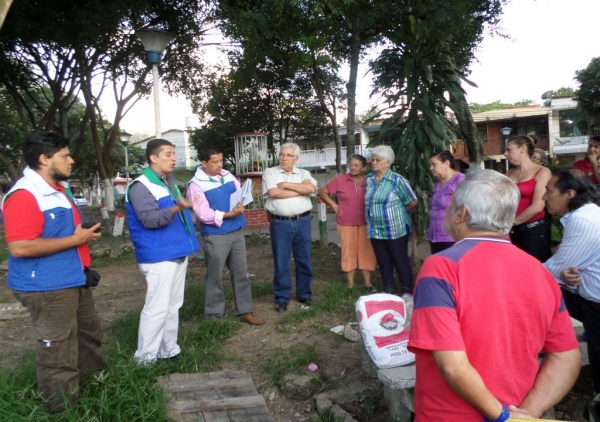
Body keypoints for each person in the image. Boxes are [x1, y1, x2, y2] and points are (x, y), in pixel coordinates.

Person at [408, 169, 581, 422]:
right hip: (520, 410)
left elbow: (453, 367)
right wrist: (527, 413)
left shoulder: (441, 267)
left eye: (451, 204)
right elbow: (567, 354)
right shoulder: (539, 270)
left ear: (462, 214)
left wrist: (501, 416)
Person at [2, 131, 106, 413]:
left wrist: (81, 237)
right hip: (47, 287)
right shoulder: (25, 194)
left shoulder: (58, 190)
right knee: (59, 351)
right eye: (65, 156)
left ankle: (97, 395)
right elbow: (20, 247)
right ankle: (63, 412)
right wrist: (76, 240)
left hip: (73, 278)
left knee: (88, 338)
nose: (71, 160)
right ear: (44, 159)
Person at [126, 139, 200, 363]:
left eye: (173, 153)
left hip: (176, 252)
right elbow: (149, 220)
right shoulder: (141, 186)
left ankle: (168, 350)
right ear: (153, 158)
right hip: (159, 256)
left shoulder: (167, 182)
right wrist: (178, 206)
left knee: (173, 305)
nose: (173, 158)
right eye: (168, 154)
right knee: (156, 308)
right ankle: (145, 359)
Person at [187, 147, 264, 325]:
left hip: (236, 230)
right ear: (204, 163)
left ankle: (245, 311)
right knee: (215, 275)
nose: (219, 165)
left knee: (241, 273)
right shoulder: (196, 185)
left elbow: (239, 195)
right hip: (215, 235)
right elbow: (203, 214)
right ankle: (213, 316)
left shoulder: (228, 175)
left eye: (220, 160)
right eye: (214, 162)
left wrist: (242, 201)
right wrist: (228, 214)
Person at [543, 168, 600, 395]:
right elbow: (561, 267)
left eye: (549, 191)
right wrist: (560, 272)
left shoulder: (582, 221)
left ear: (570, 194)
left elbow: (553, 269)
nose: (544, 197)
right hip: (588, 301)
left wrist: (557, 271)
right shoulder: (587, 213)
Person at [262, 142, 317, 313]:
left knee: (304, 259)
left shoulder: (304, 173)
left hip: (303, 221)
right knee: (281, 261)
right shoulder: (270, 172)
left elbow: (311, 188)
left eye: (288, 155)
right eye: (281, 154)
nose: (284, 158)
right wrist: (301, 191)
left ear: (296, 158)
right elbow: (273, 193)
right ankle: (282, 297)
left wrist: (285, 185)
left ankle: (304, 294)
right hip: (280, 224)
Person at [365, 145, 418, 297]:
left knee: (400, 259)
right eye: (372, 159)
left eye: (378, 160)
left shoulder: (397, 180)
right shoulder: (369, 179)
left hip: (396, 228)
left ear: (388, 162)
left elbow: (413, 201)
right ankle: (388, 289)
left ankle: (407, 290)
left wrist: (400, 213)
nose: (373, 162)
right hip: (376, 229)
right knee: (384, 261)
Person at [318, 154, 377, 291]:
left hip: (366, 222)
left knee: (367, 252)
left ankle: (367, 283)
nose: (353, 167)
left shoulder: (369, 181)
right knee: (348, 252)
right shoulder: (340, 180)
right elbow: (323, 192)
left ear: (363, 167)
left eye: (356, 165)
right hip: (346, 222)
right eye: (351, 165)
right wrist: (334, 205)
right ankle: (350, 284)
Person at [504, 135, 552, 262]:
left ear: (522, 149)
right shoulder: (508, 174)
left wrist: (512, 223)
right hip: (511, 231)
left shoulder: (542, 172)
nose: (505, 154)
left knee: (535, 269)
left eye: (509, 150)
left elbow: (538, 206)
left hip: (533, 231)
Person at [427, 150, 465, 254]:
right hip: (435, 236)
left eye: (434, 164)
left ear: (446, 163)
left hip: (451, 237)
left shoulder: (461, 181)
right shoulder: (437, 184)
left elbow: (467, 208)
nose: (431, 168)